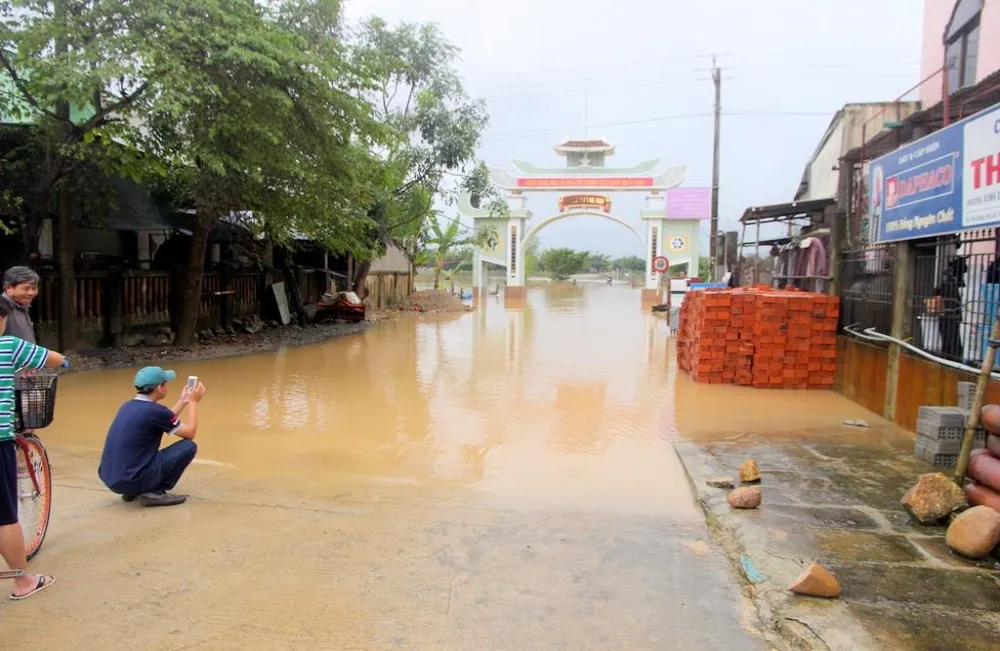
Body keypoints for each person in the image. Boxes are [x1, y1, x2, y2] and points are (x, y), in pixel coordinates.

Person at [0, 297, 68, 600]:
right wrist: (64, 361)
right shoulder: (9, 346)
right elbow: (51, 358)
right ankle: (23, 582)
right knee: (4, 515)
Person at [98, 367, 205, 507]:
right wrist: (193, 402)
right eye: (166, 383)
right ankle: (154, 492)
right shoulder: (156, 411)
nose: (167, 386)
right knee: (188, 446)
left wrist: (182, 401)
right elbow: (190, 433)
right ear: (160, 388)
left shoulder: (128, 405)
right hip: (131, 479)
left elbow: (164, 419)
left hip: (111, 479)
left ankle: (134, 490)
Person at [1, 266, 40, 343]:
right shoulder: (2, 308)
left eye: (34, 288)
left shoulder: (22, 306)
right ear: (8, 288)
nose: (31, 293)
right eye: (26, 288)